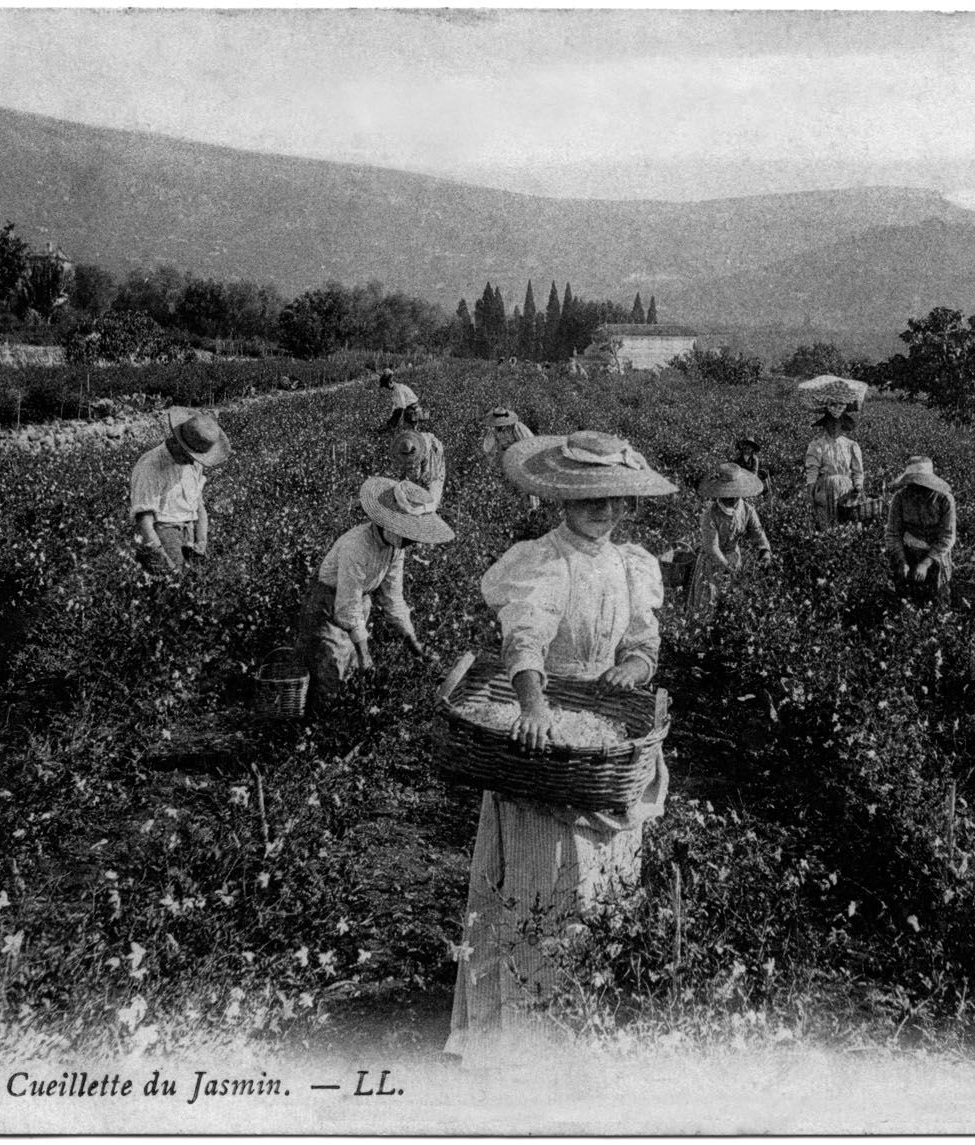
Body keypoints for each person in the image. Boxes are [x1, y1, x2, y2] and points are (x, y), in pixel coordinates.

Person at [446, 430, 677, 1060]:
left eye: (612, 501)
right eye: (589, 501)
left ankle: (582, 1019)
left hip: (604, 740)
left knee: (599, 886)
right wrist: (533, 705)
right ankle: (519, 1034)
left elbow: (641, 643)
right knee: (540, 882)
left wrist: (632, 668)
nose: (602, 512)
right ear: (562, 503)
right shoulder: (543, 561)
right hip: (550, 737)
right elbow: (525, 638)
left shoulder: (632, 563)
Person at [294, 478, 452, 710]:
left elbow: (392, 599)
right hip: (327, 607)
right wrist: (364, 654)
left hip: (358, 604)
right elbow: (347, 605)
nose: (411, 542)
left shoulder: (395, 548)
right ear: (390, 524)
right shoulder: (356, 545)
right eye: (407, 534)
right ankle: (318, 725)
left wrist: (413, 642)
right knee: (331, 670)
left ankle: (340, 716)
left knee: (349, 669)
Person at [130, 407, 231, 577]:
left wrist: (201, 540)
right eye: (190, 455)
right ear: (177, 442)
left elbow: (199, 505)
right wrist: (164, 558)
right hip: (163, 533)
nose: (194, 461)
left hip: (189, 530)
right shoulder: (150, 466)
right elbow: (145, 523)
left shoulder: (194, 462)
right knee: (172, 584)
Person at [688, 462, 773, 613]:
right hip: (712, 562)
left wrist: (765, 550)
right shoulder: (710, 515)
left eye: (733, 494)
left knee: (732, 603)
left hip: (734, 557)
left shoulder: (747, 510)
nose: (730, 498)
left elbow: (758, 533)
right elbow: (712, 547)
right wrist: (726, 566)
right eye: (725, 494)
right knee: (709, 604)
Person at [885, 456, 957, 605]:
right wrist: (901, 561)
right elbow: (893, 533)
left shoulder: (944, 499)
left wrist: (925, 563)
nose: (916, 488)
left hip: (935, 556)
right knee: (906, 600)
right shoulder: (900, 498)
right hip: (908, 552)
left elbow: (947, 537)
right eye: (913, 483)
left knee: (937, 601)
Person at [801, 405, 863, 532]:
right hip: (825, 488)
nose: (834, 425)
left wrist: (858, 486)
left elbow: (858, 472)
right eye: (831, 422)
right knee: (825, 527)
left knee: (846, 525)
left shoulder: (851, 445)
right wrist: (810, 493)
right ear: (825, 424)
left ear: (842, 423)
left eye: (837, 422)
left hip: (846, 490)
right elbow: (812, 471)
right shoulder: (817, 444)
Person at [479, 407, 541, 514]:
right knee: (510, 484)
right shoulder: (494, 431)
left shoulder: (516, 427)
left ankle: (533, 511)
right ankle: (516, 510)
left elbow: (528, 443)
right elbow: (489, 448)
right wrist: (489, 463)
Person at [393, 425, 447, 507]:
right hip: (427, 447)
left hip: (434, 451)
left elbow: (425, 468)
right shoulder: (406, 441)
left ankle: (429, 505)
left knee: (431, 482)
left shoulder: (423, 451)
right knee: (414, 477)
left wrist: (420, 479)